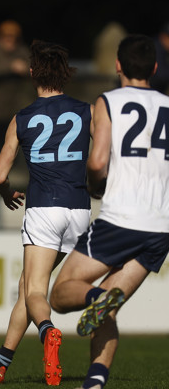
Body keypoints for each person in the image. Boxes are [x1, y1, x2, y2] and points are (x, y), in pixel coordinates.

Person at [50, 34, 169, 389]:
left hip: (121, 218)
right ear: (155, 68)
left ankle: (97, 297)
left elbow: (98, 160)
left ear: (118, 66)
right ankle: (95, 382)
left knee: (62, 293)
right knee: (108, 311)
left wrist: (94, 186)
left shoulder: (108, 102)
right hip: (160, 226)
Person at [0, 40, 93, 386]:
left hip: (44, 208)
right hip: (80, 209)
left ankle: (48, 333)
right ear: (67, 75)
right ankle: (0, 364)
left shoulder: (22, 118)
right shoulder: (88, 110)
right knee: (26, 285)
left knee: (35, 291)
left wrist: (6, 193)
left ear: (32, 74)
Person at [0, 19, 32, 161]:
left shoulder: (21, 51)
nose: (10, 41)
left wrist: (24, 68)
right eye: (7, 38)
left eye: (14, 38)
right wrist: (11, 67)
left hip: (14, 110)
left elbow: (32, 67)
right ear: (0, 37)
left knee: (11, 148)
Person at [150, 21, 169, 95]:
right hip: (142, 93)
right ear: (163, 36)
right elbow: (161, 75)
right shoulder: (153, 47)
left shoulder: (163, 49)